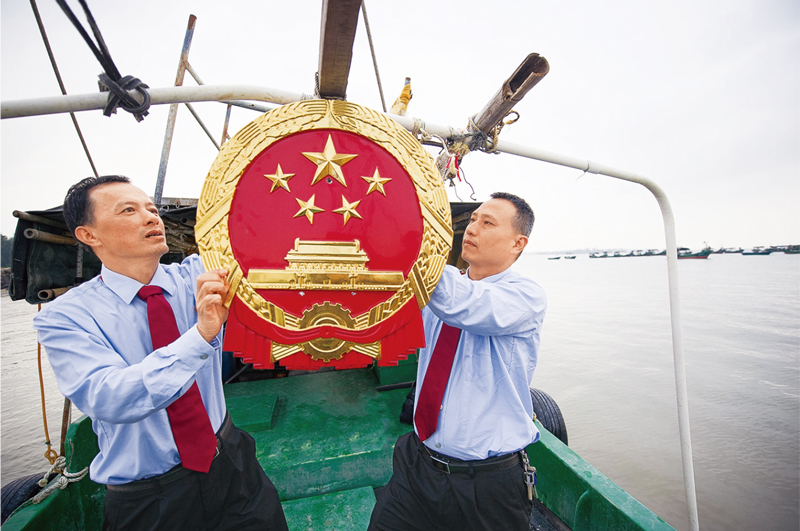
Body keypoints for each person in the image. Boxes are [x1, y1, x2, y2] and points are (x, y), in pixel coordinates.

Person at [33, 175, 288, 531]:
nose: (151, 217)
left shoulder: (198, 276)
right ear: (89, 234)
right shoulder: (66, 317)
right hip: (150, 498)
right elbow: (109, 397)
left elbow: (268, 232)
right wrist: (200, 336)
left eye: (152, 209)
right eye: (129, 210)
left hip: (232, 463)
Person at [369, 192, 547, 531]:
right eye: (473, 220)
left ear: (518, 243)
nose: (472, 229)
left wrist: (406, 242)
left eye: (488, 223)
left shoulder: (525, 296)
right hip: (418, 463)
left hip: (485, 483)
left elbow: (462, 305)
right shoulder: (441, 288)